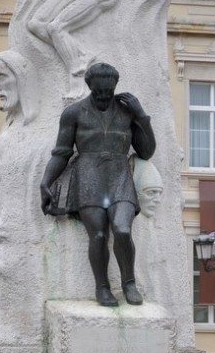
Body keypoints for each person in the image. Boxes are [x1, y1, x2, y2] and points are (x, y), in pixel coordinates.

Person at [40, 62, 155, 306]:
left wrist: (141, 116)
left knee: (122, 229)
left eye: (108, 91)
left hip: (119, 176)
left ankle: (129, 283)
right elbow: (61, 152)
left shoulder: (126, 112)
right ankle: (102, 288)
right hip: (88, 177)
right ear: (90, 87)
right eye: (98, 92)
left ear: (114, 87)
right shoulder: (73, 113)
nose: (104, 96)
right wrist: (46, 181)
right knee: (99, 234)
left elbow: (146, 151)